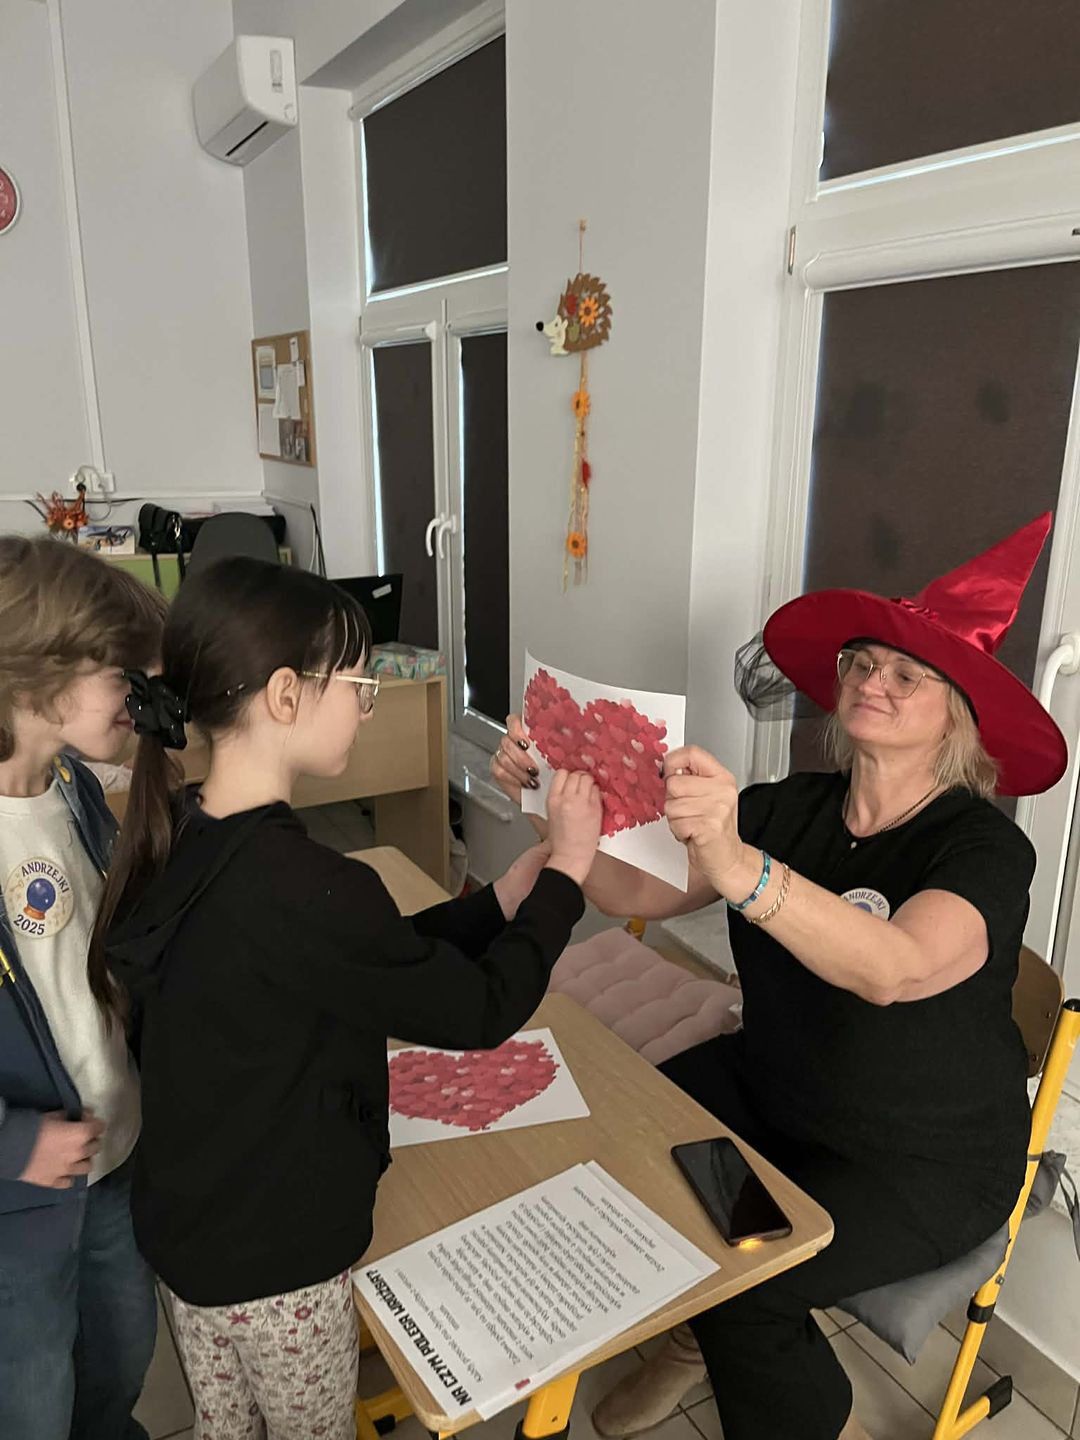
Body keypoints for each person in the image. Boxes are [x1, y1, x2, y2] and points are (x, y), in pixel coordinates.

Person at [490, 514, 1066, 1440]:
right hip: (773, 1086)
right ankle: (695, 1340)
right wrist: (545, 804)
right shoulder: (785, 806)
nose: (872, 679)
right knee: (625, 1138)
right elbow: (640, 889)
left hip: (919, 1160)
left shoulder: (983, 848)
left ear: (957, 715)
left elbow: (895, 968)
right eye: (862, 662)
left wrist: (739, 866)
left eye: (906, 674)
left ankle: (790, 1395)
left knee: (752, 1287)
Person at [90, 558, 602, 1440]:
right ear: (286, 695)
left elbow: (365, 960)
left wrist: (504, 901)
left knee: (228, 1428)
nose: (368, 709)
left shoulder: (179, 830)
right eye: (360, 687)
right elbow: (479, 1010)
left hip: (187, 1235)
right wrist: (569, 878)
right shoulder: (309, 886)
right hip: (276, 1267)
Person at [0, 535, 166, 1440]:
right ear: (38, 676)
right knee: (31, 1399)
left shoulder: (72, 789)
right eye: (121, 677)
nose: (139, 697)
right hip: (20, 1200)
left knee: (121, 1356)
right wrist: (15, 1142)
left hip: (115, 1158)